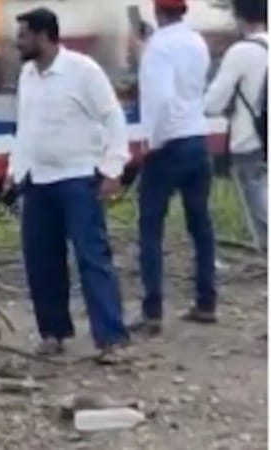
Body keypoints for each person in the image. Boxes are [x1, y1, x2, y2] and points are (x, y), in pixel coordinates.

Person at [5, 7, 130, 363]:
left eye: (24, 36)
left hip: (77, 179)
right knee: (41, 261)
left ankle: (111, 338)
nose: (18, 43)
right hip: (38, 181)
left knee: (92, 258)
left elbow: (113, 117)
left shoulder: (83, 71)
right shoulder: (27, 75)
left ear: (44, 36)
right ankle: (53, 333)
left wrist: (113, 169)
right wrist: (14, 170)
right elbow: (26, 127)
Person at [132, 0, 217, 335]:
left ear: (157, 11)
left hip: (167, 146)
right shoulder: (197, 42)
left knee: (151, 227)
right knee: (201, 225)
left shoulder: (157, 48)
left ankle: (152, 311)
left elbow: (163, 99)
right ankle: (206, 301)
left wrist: (152, 141)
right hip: (197, 139)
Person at [204, 0, 267, 250]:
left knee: (260, 207)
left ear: (239, 17)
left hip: (251, 139)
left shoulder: (242, 51)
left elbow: (212, 104)